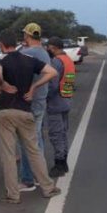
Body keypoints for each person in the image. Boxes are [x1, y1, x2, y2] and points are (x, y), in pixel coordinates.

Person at [0, 29, 61, 203]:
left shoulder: (0, 60)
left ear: (1, 45)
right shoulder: (30, 60)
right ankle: (47, 187)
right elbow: (52, 72)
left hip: (5, 111)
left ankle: (13, 194)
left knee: (8, 154)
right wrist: (34, 87)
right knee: (34, 150)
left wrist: (3, 84)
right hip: (25, 110)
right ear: (16, 43)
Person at [17, 23, 50, 191]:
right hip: (41, 100)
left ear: (27, 36)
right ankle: (40, 175)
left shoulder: (26, 54)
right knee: (37, 139)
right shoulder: (44, 53)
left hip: (28, 101)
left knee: (26, 140)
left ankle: (28, 178)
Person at [45, 37, 75, 177]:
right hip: (66, 100)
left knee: (56, 134)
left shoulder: (56, 62)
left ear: (54, 48)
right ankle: (64, 162)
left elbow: (52, 84)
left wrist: (44, 96)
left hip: (56, 102)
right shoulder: (68, 59)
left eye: (49, 47)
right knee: (63, 133)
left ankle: (59, 164)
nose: (48, 50)